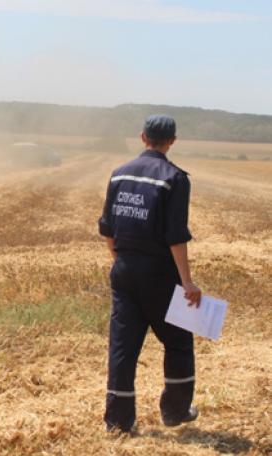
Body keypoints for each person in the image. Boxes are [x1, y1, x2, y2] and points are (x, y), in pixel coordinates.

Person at [98, 115, 202, 433]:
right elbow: (175, 236)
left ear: (143, 137)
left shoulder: (119, 174)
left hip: (124, 271)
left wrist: (121, 261)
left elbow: (107, 229)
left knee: (123, 348)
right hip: (160, 276)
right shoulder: (174, 178)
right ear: (172, 140)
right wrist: (187, 282)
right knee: (179, 341)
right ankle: (175, 410)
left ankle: (118, 422)